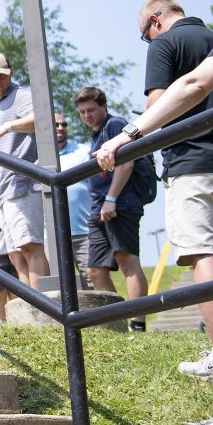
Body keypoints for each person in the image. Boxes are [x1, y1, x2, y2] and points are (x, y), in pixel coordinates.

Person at [132, 0, 213, 382]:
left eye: (143, 35)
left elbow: (158, 104)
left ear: (155, 20)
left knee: (203, 254)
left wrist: (131, 134)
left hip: (191, 164)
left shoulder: (165, 45)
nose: (147, 42)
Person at [73, 87, 149, 331]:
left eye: (91, 110)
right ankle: (117, 324)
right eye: (82, 111)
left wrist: (112, 198)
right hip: (98, 207)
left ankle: (138, 325)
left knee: (127, 261)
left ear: (104, 107)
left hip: (120, 203)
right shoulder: (95, 135)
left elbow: (126, 163)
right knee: (94, 270)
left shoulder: (115, 125)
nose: (87, 115)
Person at [0, 52, 50, 286]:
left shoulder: (21, 95)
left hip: (24, 184)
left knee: (31, 247)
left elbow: (41, 118)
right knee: (16, 255)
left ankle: (46, 310)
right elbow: (0, 154)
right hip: (5, 189)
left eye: (2, 75)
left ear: (12, 73)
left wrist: (7, 127)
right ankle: (32, 309)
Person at [56, 111, 94, 289]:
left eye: (64, 124)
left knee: (93, 280)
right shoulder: (37, 158)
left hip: (84, 231)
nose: (61, 128)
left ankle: (103, 317)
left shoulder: (84, 151)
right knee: (59, 286)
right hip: (53, 236)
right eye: (56, 125)